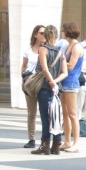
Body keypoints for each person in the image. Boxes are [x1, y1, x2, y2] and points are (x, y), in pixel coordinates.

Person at [29, 25, 68, 155]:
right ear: (56, 36)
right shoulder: (60, 52)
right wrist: (56, 82)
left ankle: (45, 145)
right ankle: (56, 145)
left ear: (45, 36)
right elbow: (65, 73)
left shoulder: (42, 49)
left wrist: (51, 82)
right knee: (56, 116)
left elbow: (44, 69)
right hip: (57, 89)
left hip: (45, 88)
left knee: (46, 117)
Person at [58, 22, 84, 152]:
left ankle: (76, 143)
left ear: (68, 32)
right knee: (65, 113)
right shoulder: (69, 45)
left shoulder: (76, 47)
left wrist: (60, 61)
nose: (62, 32)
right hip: (65, 82)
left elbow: (71, 65)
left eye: (63, 30)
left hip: (71, 82)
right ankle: (67, 141)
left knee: (73, 114)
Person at [20, 24, 46, 147]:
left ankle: (46, 139)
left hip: (43, 83)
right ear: (35, 34)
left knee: (45, 112)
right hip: (31, 84)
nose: (43, 35)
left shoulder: (47, 49)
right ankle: (31, 138)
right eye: (41, 33)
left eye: (45, 33)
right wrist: (24, 79)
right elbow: (24, 66)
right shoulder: (28, 51)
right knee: (32, 113)